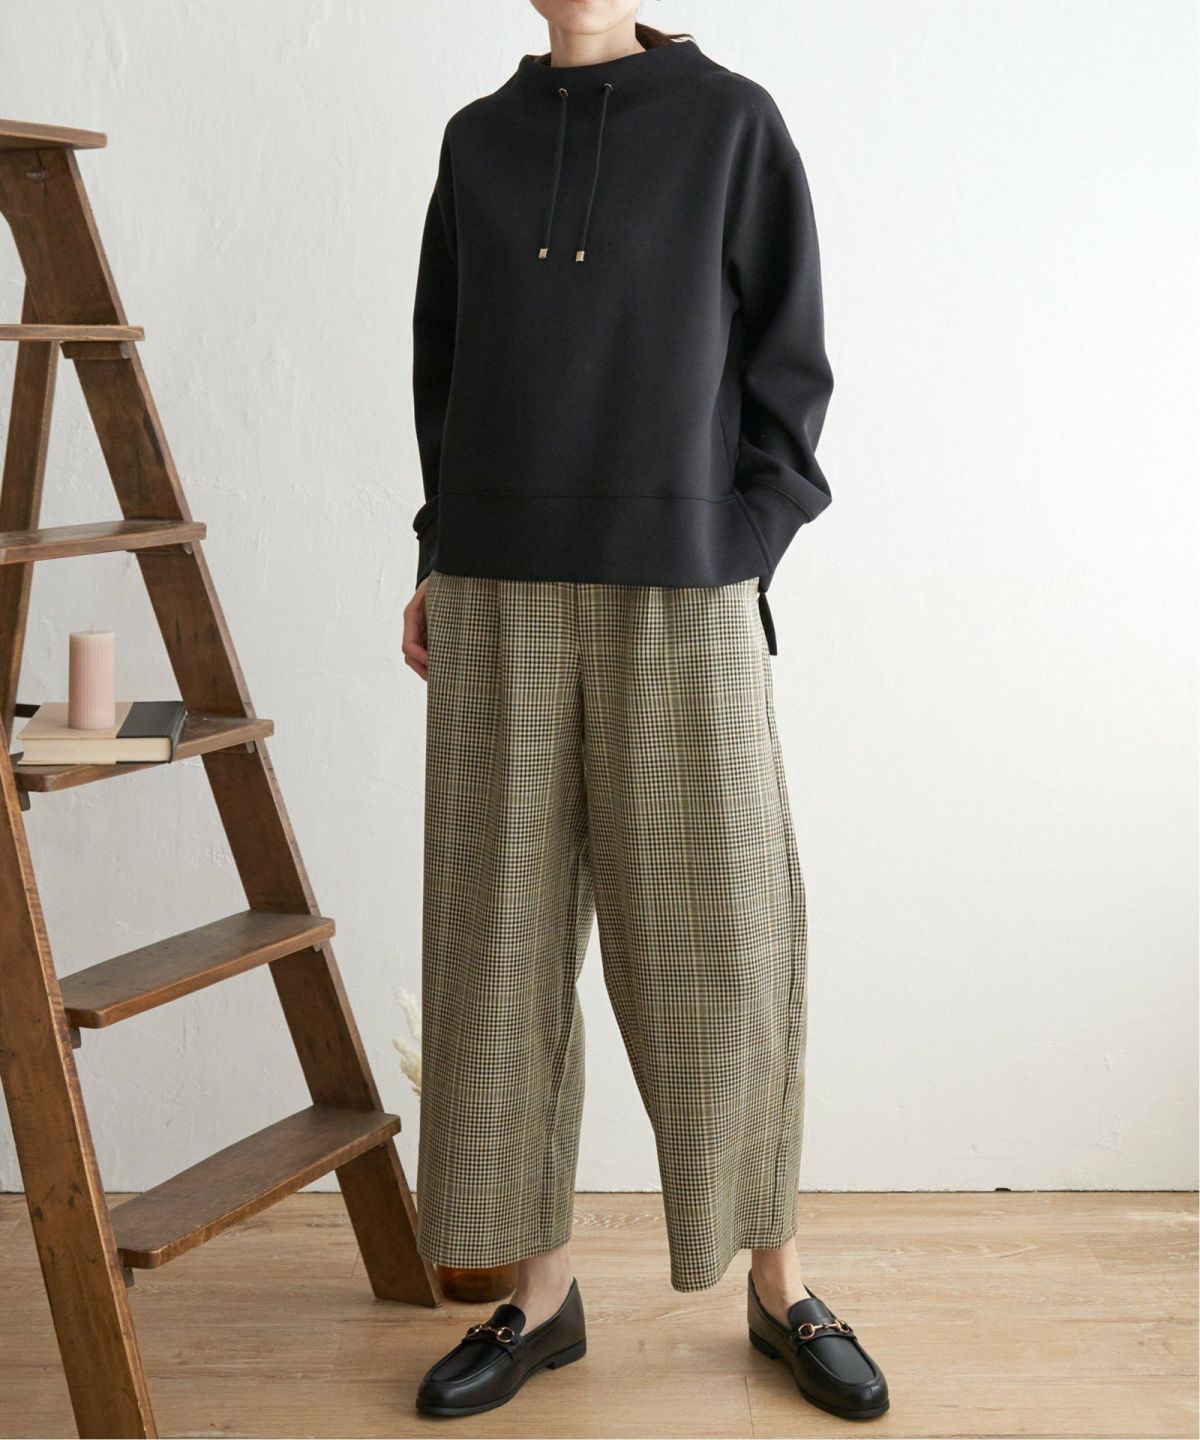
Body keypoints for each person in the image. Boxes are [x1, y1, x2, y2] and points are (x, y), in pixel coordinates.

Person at [402, 0, 889, 1422]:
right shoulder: (477, 143)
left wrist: (739, 542)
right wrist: (437, 550)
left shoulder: (733, 124)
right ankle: (537, 1297)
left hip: (682, 587)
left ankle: (780, 1285)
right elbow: (444, 371)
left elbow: (789, 368)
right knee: (495, 948)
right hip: (497, 585)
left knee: (727, 941)